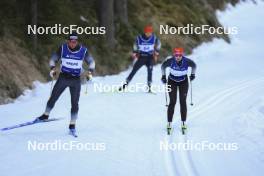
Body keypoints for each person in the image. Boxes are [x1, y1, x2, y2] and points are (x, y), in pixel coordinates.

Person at [35, 32, 95, 136]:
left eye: (75, 41)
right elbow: (53, 59)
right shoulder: (63, 48)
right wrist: (52, 69)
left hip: (76, 80)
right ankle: (45, 115)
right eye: (71, 41)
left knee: (75, 103)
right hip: (63, 77)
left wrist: (90, 73)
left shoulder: (83, 50)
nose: (73, 43)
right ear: (68, 41)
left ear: (77, 41)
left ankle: (72, 125)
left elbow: (92, 62)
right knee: (53, 96)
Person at [161, 47, 196, 134]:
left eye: (180, 55)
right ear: (174, 55)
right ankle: (169, 124)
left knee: (183, 101)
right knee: (172, 102)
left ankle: (183, 123)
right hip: (171, 81)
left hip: (183, 82)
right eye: (176, 55)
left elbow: (194, 65)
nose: (178, 57)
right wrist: (163, 76)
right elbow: (163, 67)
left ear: (182, 55)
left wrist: (193, 75)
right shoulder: (170, 61)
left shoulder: (187, 61)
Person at [119, 25, 161, 92]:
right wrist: (135, 52)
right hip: (142, 57)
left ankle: (149, 87)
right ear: (145, 32)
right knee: (134, 70)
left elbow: (159, 44)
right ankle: (125, 85)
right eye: (147, 32)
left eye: (150, 32)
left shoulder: (154, 38)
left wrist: (157, 52)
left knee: (150, 71)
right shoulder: (139, 38)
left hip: (150, 57)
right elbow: (135, 45)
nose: (148, 34)